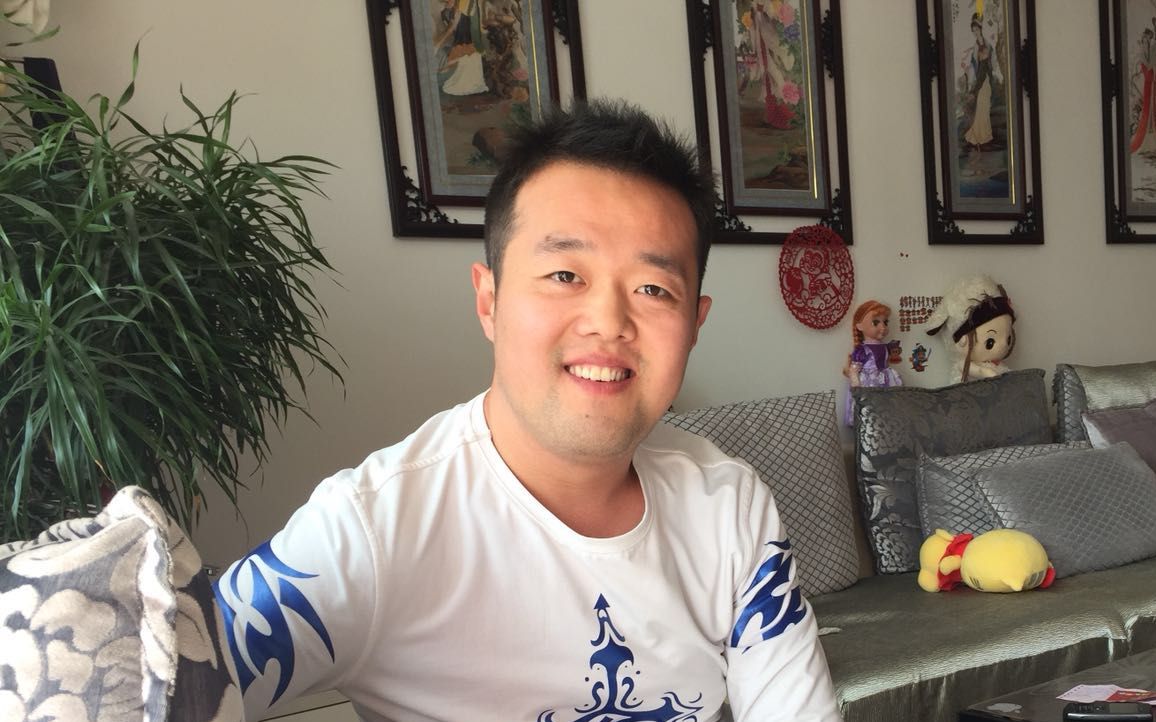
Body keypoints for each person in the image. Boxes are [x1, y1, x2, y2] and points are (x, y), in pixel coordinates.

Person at [213, 100, 841, 722]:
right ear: (489, 301)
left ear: (695, 324)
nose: (608, 321)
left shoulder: (729, 507)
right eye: (565, 274)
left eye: (653, 288)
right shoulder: (373, 530)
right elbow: (175, 682)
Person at [843, 300, 902, 426]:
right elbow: (854, 370)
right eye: (876, 322)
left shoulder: (885, 347)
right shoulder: (862, 349)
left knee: (886, 411)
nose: (883, 327)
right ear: (860, 326)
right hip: (868, 384)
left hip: (885, 382)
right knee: (869, 411)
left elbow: (885, 363)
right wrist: (857, 387)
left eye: (885, 322)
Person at [961, 13, 1002, 151]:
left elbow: (992, 63)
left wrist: (994, 74)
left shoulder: (987, 44)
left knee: (984, 108)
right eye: (973, 31)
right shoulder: (975, 47)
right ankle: (977, 137)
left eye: (977, 29)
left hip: (986, 80)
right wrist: (971, 81)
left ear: (980, 29)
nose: (975, 32)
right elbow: (975, 66)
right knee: (981, 109)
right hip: (980, 80)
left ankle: (984, 137)